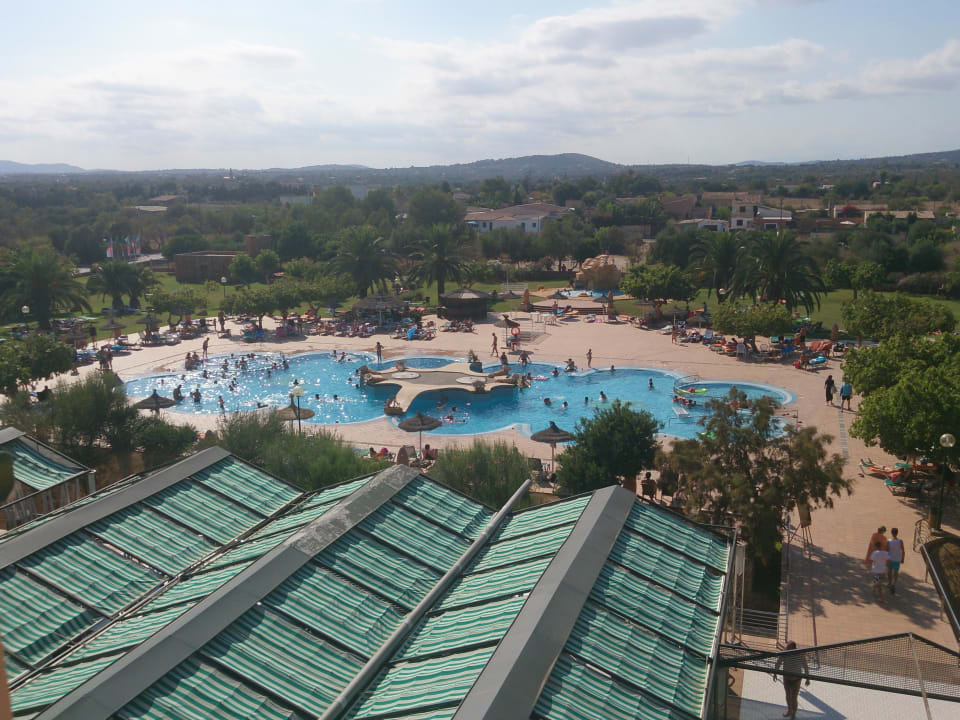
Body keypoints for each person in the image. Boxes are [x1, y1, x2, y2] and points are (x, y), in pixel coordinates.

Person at [773, 641, 809, 719]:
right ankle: (789, 710)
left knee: (794, 698)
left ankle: (793, 714)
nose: (786, 648)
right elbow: (778, 663)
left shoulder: (800, 654)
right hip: (786, 678)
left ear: (793, 648)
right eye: (787, 647)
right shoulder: (784, 653)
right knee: (788, 696)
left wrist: (807, 678)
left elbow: (805, 666)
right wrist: (775, 673)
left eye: (788, 648)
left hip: (796, 680)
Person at [887, 527, 905, 594]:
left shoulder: (889, 541)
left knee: (889, 571)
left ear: (891, 533)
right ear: (897, 533)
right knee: (896, 572)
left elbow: (887, 550)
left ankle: (889, 583)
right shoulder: (900, 541)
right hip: (897, 559)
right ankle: (893, 584)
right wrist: (902, 558)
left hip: (890, 559)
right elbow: (903, 550)